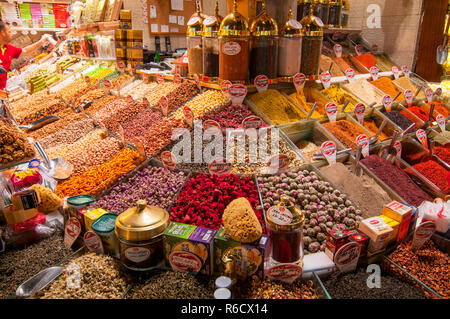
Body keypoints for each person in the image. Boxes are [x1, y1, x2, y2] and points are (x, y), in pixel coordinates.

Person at [0, 21, 50, 90]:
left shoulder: (7, 48)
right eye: (9, 32)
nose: (11, 34)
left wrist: (41, 42)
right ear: (2, 33)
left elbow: (25, 50)